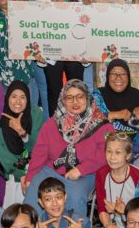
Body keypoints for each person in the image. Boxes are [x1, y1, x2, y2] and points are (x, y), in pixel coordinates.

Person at [24, 80, 114, 218]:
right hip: (51, 171)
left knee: (74, 196)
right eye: (69, 97)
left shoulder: (103, 125)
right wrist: (30, 177)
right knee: (33, 192)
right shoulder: (52, 123)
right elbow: (39, 152)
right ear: (63, 100)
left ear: (87, 98)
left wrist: (80, 170)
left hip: (85, 175)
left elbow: (106, 152)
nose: (75, 102)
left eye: (80, 96)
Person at [35, 0, 85, 109]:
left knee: (77, 91)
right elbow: (39, 22)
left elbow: (84, 23)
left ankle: (77, 121)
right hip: (52, 49)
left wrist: (67, 8)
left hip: (75, 49)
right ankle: (55, 123)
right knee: (54, 91)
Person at [0, 81, 43, 206]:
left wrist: (21, 132)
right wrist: (23, 176)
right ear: (7, 99)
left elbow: (38, 149)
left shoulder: (36, 114)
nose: (18, 101)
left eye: (22, 97)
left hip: (39, 170)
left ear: (28, 99)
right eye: (14, 96)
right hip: (16, 176)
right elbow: (8, 163)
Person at [92, 58, 139, 164]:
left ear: (128, 76)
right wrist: (113, 114)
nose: (118, 77)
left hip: (133, 153)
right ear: (107, 76)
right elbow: (89, 123)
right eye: (114, 73)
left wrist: (129, 157)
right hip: (102, 150)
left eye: (123, 74)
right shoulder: (98, 95)